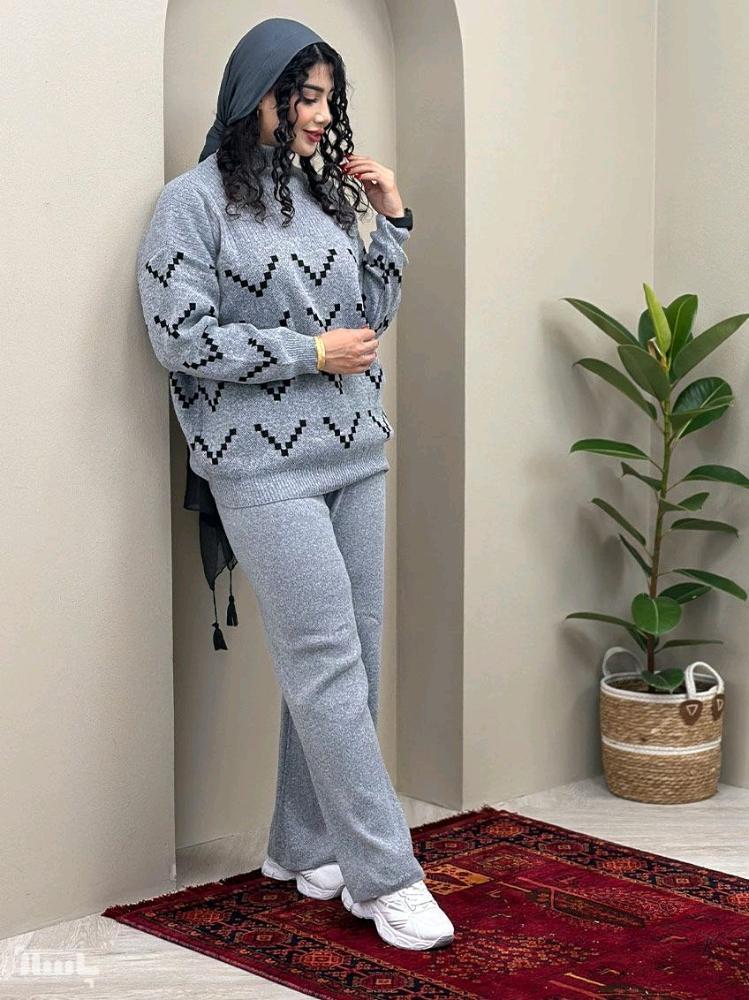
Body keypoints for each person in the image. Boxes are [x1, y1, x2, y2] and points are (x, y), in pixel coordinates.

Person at [136, 18, 453, 951]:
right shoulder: (190, 205)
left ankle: (302, 847)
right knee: (325, 663)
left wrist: (392, 219)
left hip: (356, 451)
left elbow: (370, 318)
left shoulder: (321, 197)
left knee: (353, 660)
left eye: (325, 98)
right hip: (261, 467)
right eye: (302, 96)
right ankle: (386, 876)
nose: (318, 114)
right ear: (256, 96)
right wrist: (306, 353)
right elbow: (179, 338)